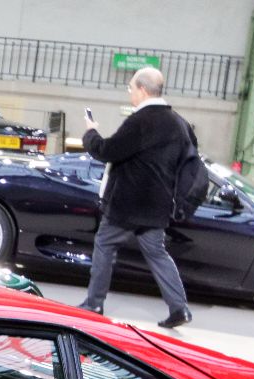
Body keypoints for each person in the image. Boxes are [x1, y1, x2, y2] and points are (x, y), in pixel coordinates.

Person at [79, 66, 193, 328]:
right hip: (158, 205)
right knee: (157, 254)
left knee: (105, 245)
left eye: (131, 88)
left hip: (128, 203)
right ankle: (180, 308)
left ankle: (94, 303)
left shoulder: (141, 121)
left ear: (142, 90)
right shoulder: (176, 123)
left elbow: (108, 150)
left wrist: (90, 133)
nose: (130, 92)